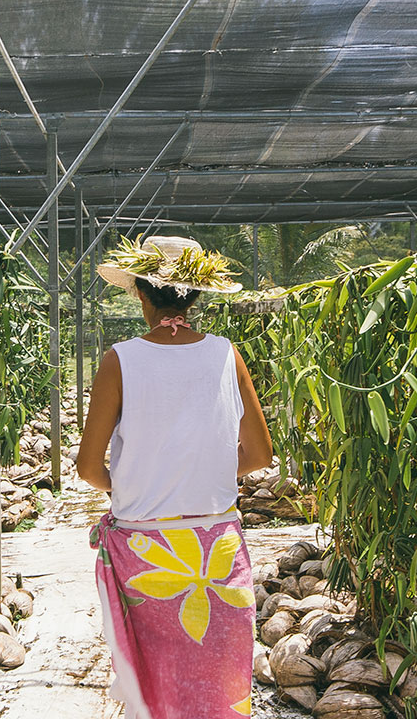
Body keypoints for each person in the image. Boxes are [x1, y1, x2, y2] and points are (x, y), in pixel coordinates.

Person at [77, 235, 275, 719]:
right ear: (197, 295)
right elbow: (259, 454)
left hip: (148, 553)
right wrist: (199, 476)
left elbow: (87, 467)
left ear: (141, 293)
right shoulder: (228, 354)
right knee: (218, 692)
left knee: (160, 690)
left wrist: (134, 484)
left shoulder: (119, 360)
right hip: (218, 554)